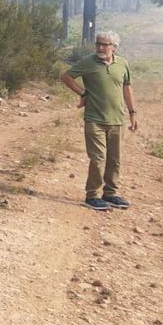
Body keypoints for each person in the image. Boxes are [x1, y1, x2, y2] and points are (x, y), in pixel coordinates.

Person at [59, 30, 139, 211]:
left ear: (114, 48)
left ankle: (110, 194)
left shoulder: (123, 64)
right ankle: (92, 196)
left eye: (105, 44)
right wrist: (83, 93)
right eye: (98, 44)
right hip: (94, 119)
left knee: (115, 159)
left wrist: (133, 112)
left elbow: (127, 89)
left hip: (117, 120)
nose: (100, 48)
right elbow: (66, 77)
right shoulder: (88, 62)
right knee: (98, 158)